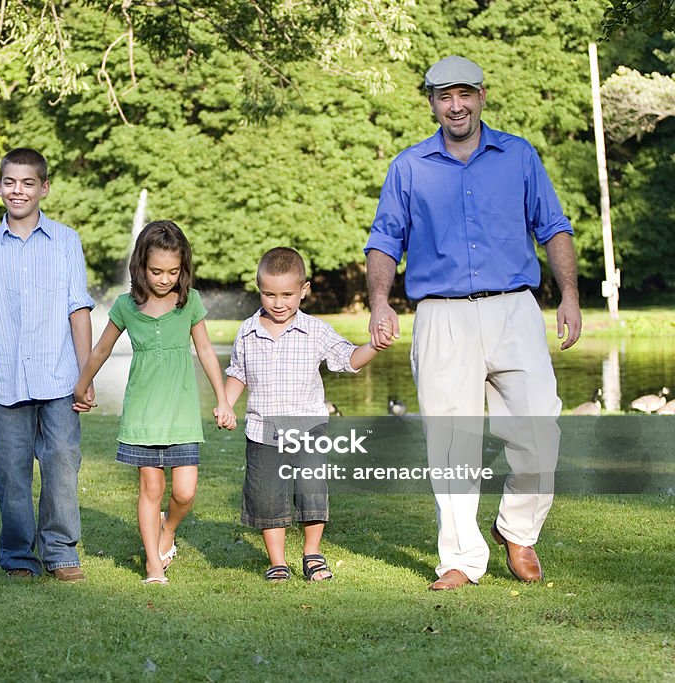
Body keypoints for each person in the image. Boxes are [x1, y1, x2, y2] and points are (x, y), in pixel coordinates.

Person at [365, 56, 582, 591]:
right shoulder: (409, 166)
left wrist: (570, 296)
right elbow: (384, 240)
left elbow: (553, 226)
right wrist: (379, 303)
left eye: (465, 94)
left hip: (514, 308)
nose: (455, 105)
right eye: (444, 96)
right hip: (441, 316)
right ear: (432, 103)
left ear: (482, 95)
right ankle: (460, 558)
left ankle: (517, 529)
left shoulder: (519, 156)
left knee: (540, 429)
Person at [0, 148, 94, 582]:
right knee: (10, 472)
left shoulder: (67, 241)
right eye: (10, 182)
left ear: (44, 188)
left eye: (28, 183)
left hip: (58, 379)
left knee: (62, 466)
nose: (18, 190)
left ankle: (60, 549)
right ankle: (17, 554)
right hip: (7, 382)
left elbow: (78, 309)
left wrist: (85, 376)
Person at [73, 221, 236, 585]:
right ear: (141, 267)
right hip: (143, 413)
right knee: (151, 488)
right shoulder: (125, 306)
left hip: (181, 413)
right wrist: (81, 386)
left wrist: (223, 399)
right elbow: (101, 350)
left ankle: (168, 530)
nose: (164, 279)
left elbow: (206, 351)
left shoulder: (189, 302)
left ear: (184, 269)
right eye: (157, 271)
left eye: (173, 272)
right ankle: (152, 565)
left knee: (185, 491)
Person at [224, 247, 391, 582]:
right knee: (268, 497)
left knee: (312, 492)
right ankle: (277, 561)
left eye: (287, 294)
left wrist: (373, 346)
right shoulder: (247, 331)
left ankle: (312, 554)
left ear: (304, 290)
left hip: (308, 430)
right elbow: (238, 373)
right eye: (269, 294)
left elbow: (347, 359)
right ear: (260, 290)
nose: (278, 302)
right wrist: (226, 403)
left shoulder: (315, 331)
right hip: (263, 431)